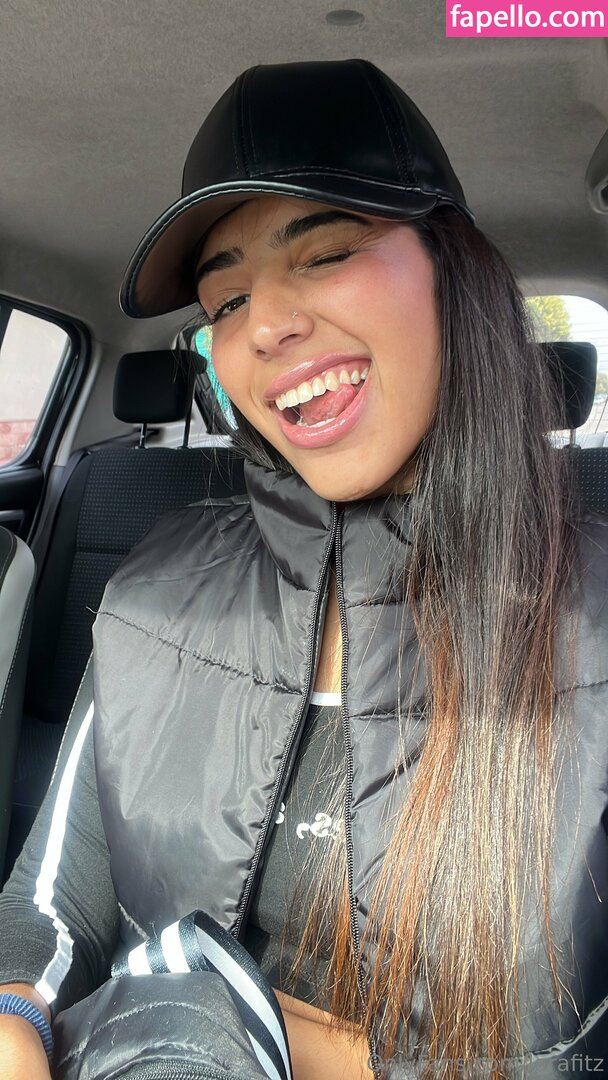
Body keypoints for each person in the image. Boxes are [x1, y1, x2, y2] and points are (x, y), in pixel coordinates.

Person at [0, 58, 607, 1080]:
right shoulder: (152, 595)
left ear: (452, 274)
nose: (266, 324)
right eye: (226, 300)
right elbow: (50, 907)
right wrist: (15, 1018)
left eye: (324, 253)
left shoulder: (592, 621)